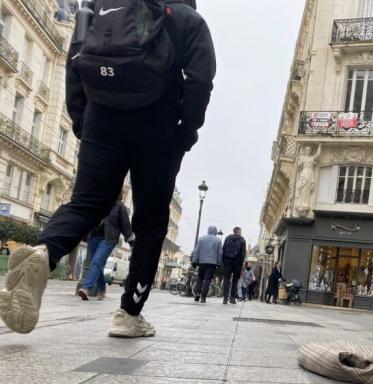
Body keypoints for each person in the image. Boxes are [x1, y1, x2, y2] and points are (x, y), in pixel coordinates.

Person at [0, 0, 215, 337]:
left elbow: (74, 64)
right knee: (151, 222)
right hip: (158, 127)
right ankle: (129, 315)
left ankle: (44, 250)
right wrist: (184, 133)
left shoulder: (99, 6)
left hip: (101, 118)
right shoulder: (189, 21)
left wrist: (84, 122)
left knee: (86, 203)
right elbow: (200, 82)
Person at [78, 199, 135, 301]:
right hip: (93, 237)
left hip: (109, 239)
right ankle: (102, 289)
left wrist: (131, 242)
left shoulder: (119, 206)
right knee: (97, 264)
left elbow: (126, 225)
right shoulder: (97, 199)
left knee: (96, 261)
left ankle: (86, 288)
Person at [191, 226, 222, 304]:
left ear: (208, 230)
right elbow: (219, 253)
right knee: (207, 280)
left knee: (200, 278)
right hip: (212, 263)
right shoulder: (218, 240)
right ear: (215, 231)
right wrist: (218, 263)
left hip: (202, 262)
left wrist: (194, 261)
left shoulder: (202, 239)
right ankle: (203, 297)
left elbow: (197, 250)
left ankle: (197, 294)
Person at [222, 227, 246, 304]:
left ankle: (225, 298)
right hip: (237, 263)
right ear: (238, 232)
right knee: (235, 281)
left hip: (227, 261)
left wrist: (224, 261)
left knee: (226, 279)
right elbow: (243, 254)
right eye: (240, 232)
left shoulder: (227, 238)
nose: (241, 233)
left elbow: (223, 249)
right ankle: (232, 298)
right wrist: (241, 264)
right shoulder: (242, 240)